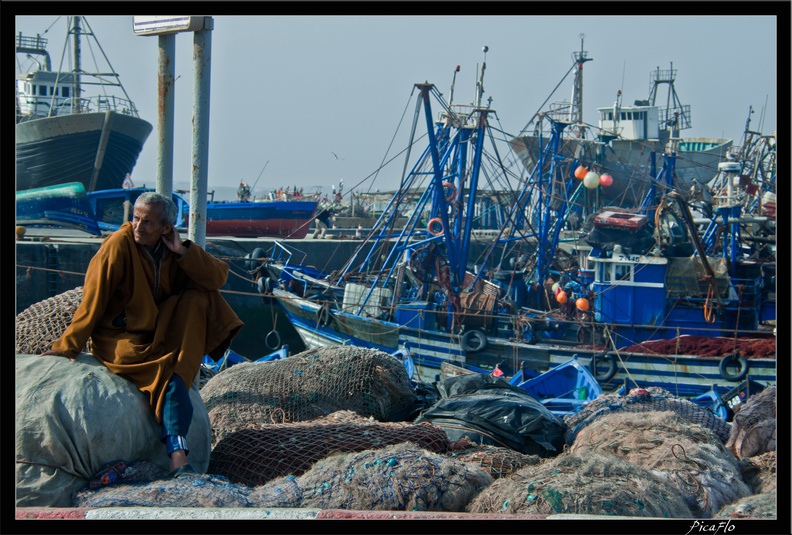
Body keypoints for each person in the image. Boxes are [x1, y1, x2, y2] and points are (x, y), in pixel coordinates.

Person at [41, 192, 244, 478]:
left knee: (199, 297)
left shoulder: (171, 249)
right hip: (119, 339)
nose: (138, 226)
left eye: (147, 222)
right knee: (169, 375)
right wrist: (67, 347)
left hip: (158, 332)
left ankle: (178, 385)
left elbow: (217, 278)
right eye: (135, 218)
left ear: (166, 227)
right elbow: (92, 301)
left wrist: (183, 251)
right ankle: (177, 456)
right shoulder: (118, 245)